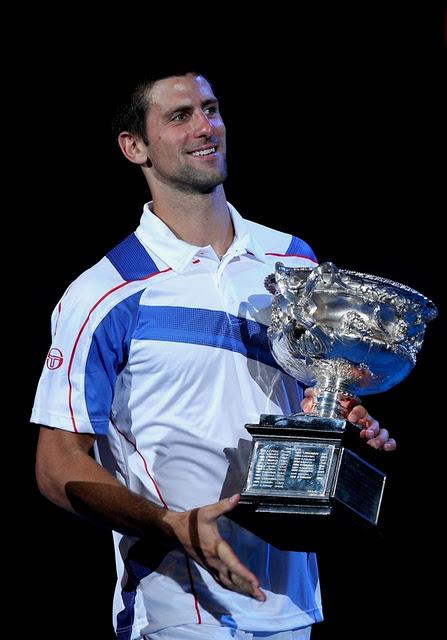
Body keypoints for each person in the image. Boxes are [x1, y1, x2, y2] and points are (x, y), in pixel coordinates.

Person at [31, 67, 396, 640]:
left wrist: (337, 413)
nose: (207, 127)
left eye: (211, 108)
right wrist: (170, 525)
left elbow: (297, 400)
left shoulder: (293, 264)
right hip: (180, 609)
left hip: (293, 602)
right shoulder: (103, 293)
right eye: (180, 116)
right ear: (135, 147)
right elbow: (56, 466)